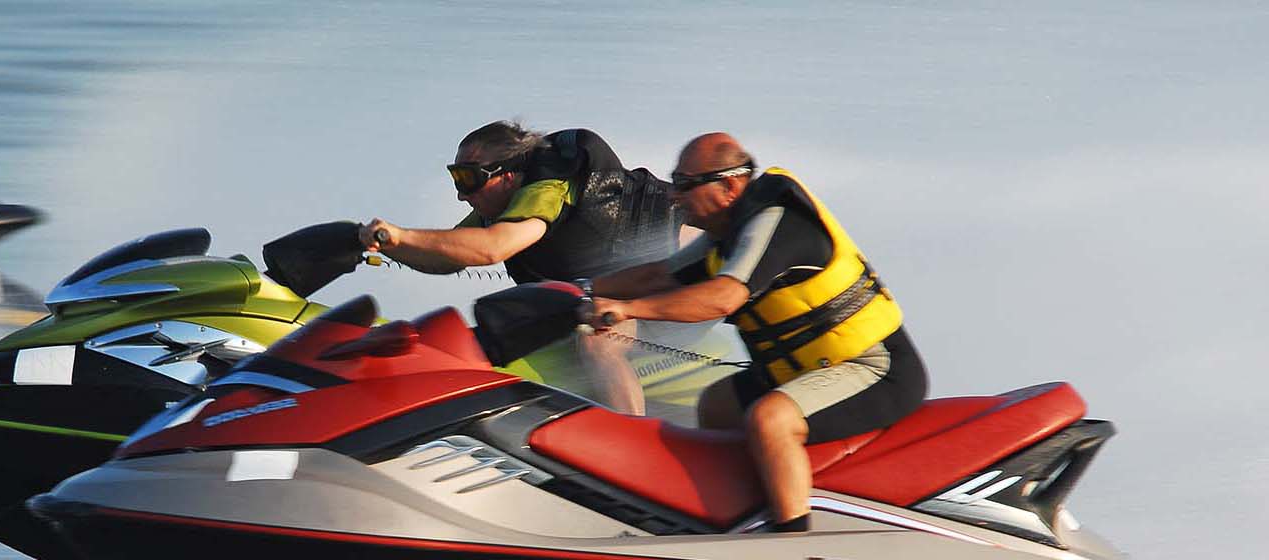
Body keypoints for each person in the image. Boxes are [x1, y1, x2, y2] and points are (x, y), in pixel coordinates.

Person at [583, 132, 927, 532]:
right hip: (808, 369)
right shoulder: (727, 235)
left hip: (874, 368)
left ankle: (792, 541)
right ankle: (725, 519)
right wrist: (587, 290)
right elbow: (661, 276)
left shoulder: (777, 223)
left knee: (771, 420)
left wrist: (625, 310)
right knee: (717, 405)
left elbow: (724, 298)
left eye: (685, 184)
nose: (674, 196)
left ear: (729, 185)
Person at [358, 121, 681, 413]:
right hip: (611, 287)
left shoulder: (547, 190)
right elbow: (450, 256)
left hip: (666, 283)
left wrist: (401, 235)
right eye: (456, 177)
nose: (460, 194)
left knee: (597, 343)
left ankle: (630, 449)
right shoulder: (498, 204)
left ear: (507, 175)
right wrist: (388, 244)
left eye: (468, 178)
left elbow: (493, 248)